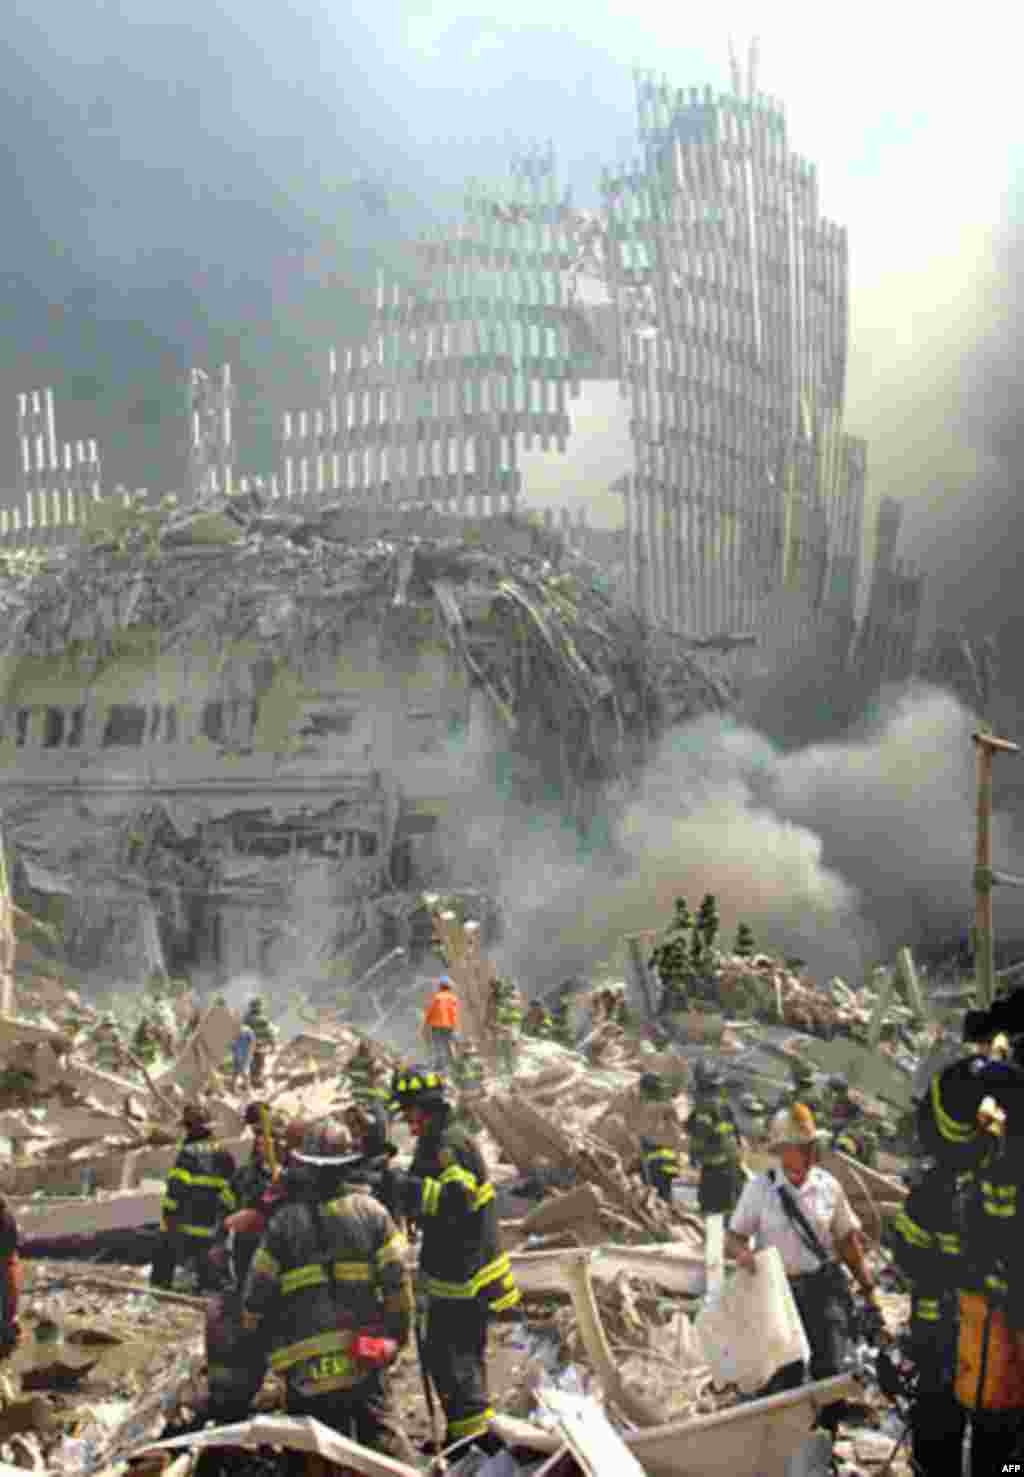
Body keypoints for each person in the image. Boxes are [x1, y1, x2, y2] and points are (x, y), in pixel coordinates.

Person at [240, 1134, 418, 1465]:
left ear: (305, 1168)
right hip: (363, 1354)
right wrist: (396, 1339)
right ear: (349, 1167)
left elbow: (256, 1296)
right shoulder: (373, 1213)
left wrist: (262, 1349)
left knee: (312, 1454)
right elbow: (399, 1287)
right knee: (383, 1447)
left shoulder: (283, 1224)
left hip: (304, 1366)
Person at [725, 1104, 884, 1443]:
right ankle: (785, 1446)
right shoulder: (760, 1189)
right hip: (778, 1292)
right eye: (802, 1146)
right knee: (785, 1373)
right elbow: (734, 1236)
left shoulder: (829, 1186)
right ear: (783, 1151)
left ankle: (823, 1441)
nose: (811, 1153)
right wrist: (743, 1255)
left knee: (831, 1369)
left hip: (821, 1288)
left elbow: (846, 1240)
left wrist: (868, 1288)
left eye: (812, 1145)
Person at [386, 1065, 520, 1452]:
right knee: (449, 1361)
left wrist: (404, 1188)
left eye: (408, 1111)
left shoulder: (449, 1144)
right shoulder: (436, 1139)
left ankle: (472, 1446)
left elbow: (455, 1202)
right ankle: (465, 1439)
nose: (407, 1120)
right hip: (454, 1271)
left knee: (455, 1362)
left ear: (424, 1108)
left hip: (464, 1278)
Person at [889, 1154, 969, 1475]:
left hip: (939, 1331)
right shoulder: (1000, 1181)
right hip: (978, 1330)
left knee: (939, 1420)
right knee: (996, 1427)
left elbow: (906, 1255)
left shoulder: (931, 1188)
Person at [152, 1102, 237, 1292]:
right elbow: (232, 1191)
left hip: (185, 1221)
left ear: (190, 1129)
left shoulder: (188, 1154)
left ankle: (159, 1290)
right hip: (211, 1225)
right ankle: (206, 1288)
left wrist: (168, 1215)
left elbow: (176, 1188)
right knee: (206, 1265)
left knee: (163, 1251)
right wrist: (224, 1220)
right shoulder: (225, 1155)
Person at [686, 1060, 745, 1216]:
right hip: (732, 1166)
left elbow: (699, 1136)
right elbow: (736, 1134)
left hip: (715, 1171)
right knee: (731, 1214)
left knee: (713, 1216)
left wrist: (693, 1157)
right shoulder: (724, 1105)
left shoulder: (704, 1109)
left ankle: (716, 1238)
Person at [633, 1073, 683, 1202]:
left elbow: (645, 1133)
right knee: (666, 1191)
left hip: (655, 1157)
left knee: (656, 1193)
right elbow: (677, 1133)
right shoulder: (668, 1107)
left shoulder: (651, 1108)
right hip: (669, 1156)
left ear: (645, 1091)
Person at [488, 979, 523, 1077]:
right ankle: (509, 1070)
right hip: (505, 1027)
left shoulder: (507, 997)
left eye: (497, 987)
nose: (496, 989)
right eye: (494, 987)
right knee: (505, 1048)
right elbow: (493, 1014)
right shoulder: (495, 999)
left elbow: (515, 1004)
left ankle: (514, 1068)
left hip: (510, 1026)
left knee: (512, 1046)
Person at [424, 977, 460, 1072]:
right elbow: (454, 1013)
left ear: (440, 986)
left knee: (438, 1046)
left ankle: (440, 1067)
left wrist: (426, 1024)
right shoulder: (453, 998)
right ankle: (454, 1066)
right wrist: (454, 1026)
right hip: (449, 1026)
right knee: (448, 1046)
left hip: (436, 1026)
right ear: (449, 987)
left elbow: (430, 1011)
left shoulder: (436, 997)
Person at [346, 1041, 390, 1110]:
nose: (370, 1051)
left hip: (358, 1087)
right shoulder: (369, 1061)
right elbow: (372, 1073)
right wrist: (380, 1071)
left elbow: (348, 1070)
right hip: (366, 1088)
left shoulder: (353, 1060)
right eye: (368, 1049)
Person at [243, 999, 276, 1088]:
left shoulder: (246, 1019)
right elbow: (270, 1033)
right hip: (259, 1046)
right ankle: (256, 1082)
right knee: (259, 1064)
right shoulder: (263, 1019)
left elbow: (241, 1032)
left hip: (250, 1046)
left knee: (252, 1064)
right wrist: (273, 1045)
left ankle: (252, 1082)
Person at [230, 1022, 255, 1091]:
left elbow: (253, 1042)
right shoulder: (246, 1030)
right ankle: (238, 1088)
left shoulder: (247, 1030)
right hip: (240, 1054)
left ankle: (247, 1089)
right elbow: (253, 1042)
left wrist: (250, 1053)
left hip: (243, 1054)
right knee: (238, 1072)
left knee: (241, 1072)